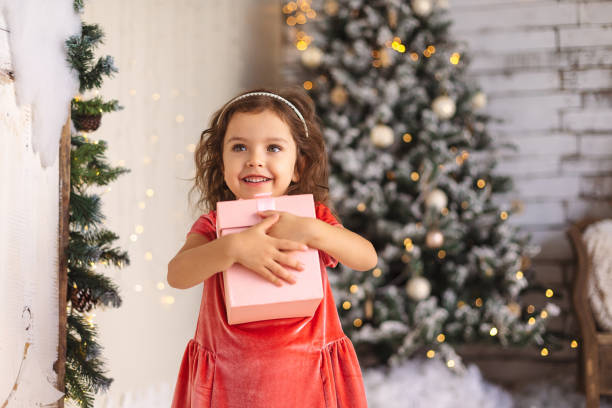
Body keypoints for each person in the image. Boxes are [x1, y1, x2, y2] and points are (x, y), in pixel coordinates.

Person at [167, 86, 377, 408]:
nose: (255, 160)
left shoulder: (311, 219)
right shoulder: (214, 226)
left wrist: (312, 231)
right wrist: (233, 248)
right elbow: (177, 275)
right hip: (229, 382)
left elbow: (366, 257)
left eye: (273, 148)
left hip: (308, 380)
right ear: (222, 165)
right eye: (239, 147)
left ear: (298, 167)